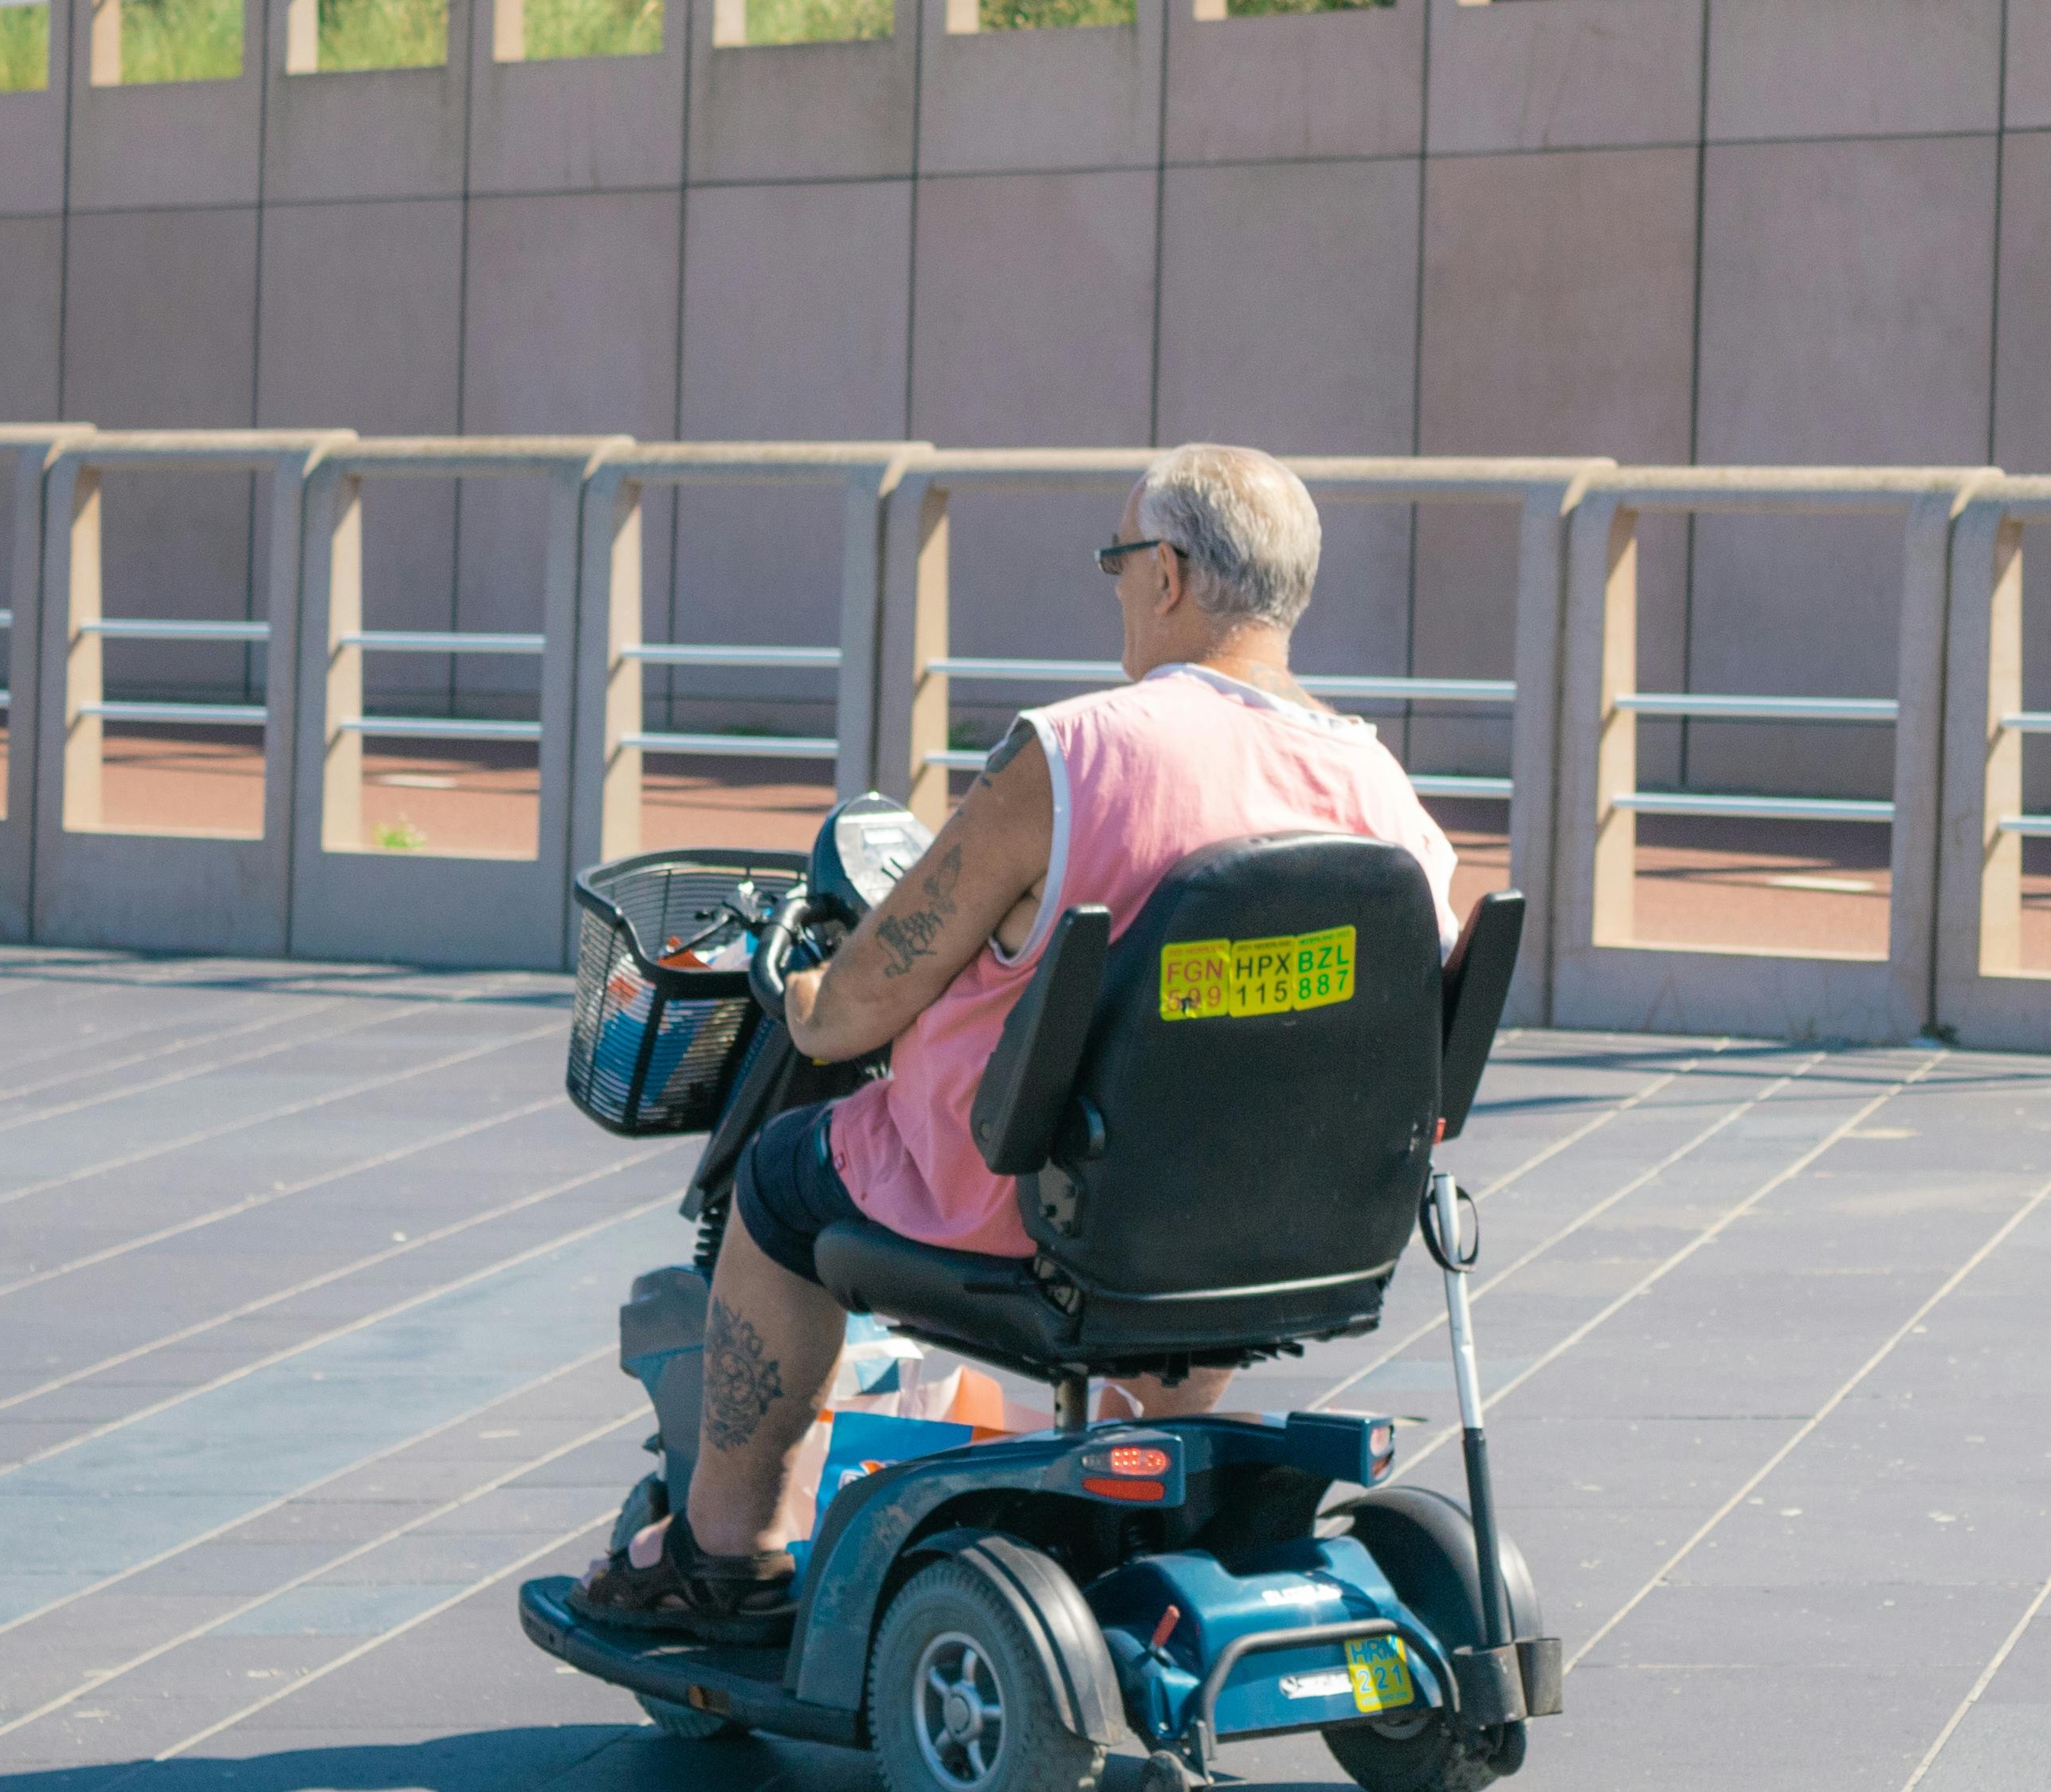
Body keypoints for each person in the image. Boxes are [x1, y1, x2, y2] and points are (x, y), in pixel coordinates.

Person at [574, 443, 1458, 1641]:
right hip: (1288, 1223)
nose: (1113, 586)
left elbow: (859, 1005)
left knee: (783, 1179)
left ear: (1170, 574)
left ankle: (724, 1550)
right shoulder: (1378, 788)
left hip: (1034, 1208)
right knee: (1201, 1144)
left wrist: (806, 992)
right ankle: (1147, 1472)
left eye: (1117, 557)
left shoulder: (1078, 754)